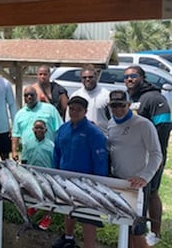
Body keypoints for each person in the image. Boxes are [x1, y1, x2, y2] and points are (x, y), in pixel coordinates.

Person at [123, 65, 172, 246]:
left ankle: (155, 233)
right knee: (138, 195)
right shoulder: (128, 97)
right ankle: (133, 234)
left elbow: (163, 129)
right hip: (134, 160)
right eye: (126, 77)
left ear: (142, 77)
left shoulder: (155, 98)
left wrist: (155, 159)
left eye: (133, 76)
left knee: (151, 193)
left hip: (152, 159)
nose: (129, 79)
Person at [107, 90, 162, 248]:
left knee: (137, 230)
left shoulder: (144, 125)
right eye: (114, 106)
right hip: (119, 182)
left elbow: (156, 154)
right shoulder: (111, 123)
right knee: (125, 226)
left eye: (121, 105)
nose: (118, 109)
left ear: (129, 105)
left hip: (138, 185)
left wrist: (145, 177)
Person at [52, 96, 108, 248]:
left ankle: (89, 246)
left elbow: (100, 160)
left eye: (78, 109)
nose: (74, 112)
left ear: (85, 111)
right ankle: (68, 238)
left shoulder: (94, 133)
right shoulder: (63, 129)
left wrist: (98, 184)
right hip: (64, 180)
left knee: (88, 216)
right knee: (68, 210)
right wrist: (54, 174)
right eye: (72, 109)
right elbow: (56, 153)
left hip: (87, 183)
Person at [11, 86, 63, 162]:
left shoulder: (50, 109)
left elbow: (60, 130)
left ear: (36, 95)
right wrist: (14, 151)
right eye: (26, 95)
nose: (29, 97)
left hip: (46, 153)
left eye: (31, 95)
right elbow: (15, 134)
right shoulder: (19, 114)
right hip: (28, 153)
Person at [22, 119, 55, 230]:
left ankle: (47, 216)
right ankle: (35, 207)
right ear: (33, 129)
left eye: (41, 127)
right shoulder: (28, 143)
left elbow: (54, 162)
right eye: (37, 127)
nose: (39, 129)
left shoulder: (51, 145)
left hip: (47, 176)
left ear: (46, 130)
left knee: (48, 196)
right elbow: (24, 159)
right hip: (32, 175)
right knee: (33, 192)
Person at [67, 64, 110, 134]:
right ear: (81, 79)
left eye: (90, 77)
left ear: (96, 77)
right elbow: (68, 119)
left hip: (101, 136)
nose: (87, 79)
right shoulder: (75, 95)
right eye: (84, 77)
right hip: (79, 136)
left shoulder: (106, 95)